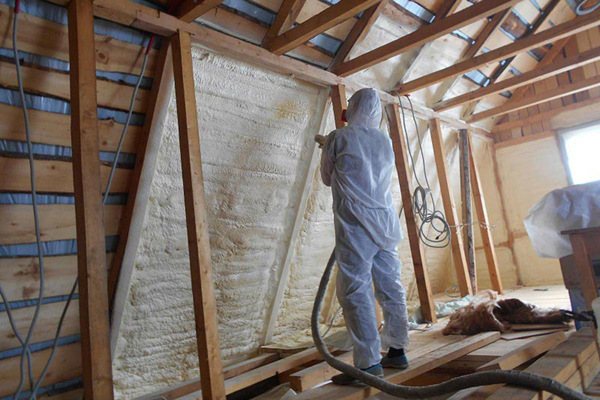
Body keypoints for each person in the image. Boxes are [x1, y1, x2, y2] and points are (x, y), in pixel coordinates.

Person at [319, 88, 410, 386]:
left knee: (355, 292)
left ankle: (368, 365)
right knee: (390, 286)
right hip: (384, 224)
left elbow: (327, 179)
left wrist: (326, 147)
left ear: (352, 108)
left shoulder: (338, 137)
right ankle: (396, 350)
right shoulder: (384, 140)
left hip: (356, 226)